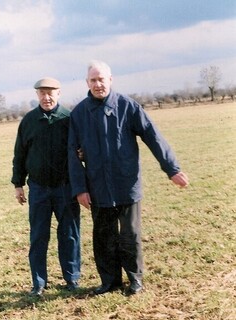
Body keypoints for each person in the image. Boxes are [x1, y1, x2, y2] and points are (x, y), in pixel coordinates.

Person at [68, 60, 189, 296]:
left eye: (101, 79)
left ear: (110, 80)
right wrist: (80, 188)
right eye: (93, 80)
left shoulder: (128, 107)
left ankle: (135, 280)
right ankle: (110, 281)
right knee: (103, 236)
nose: (98, 84)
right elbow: (72, 153)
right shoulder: (79, 113)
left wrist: (172, 169)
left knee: (130, 235)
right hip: (97, 186)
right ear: (87, 83)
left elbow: (153, 137)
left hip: (126, 183)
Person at [11, 77, 81, 296]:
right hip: (39, 189)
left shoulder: (69, 119)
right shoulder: (29, 121)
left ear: (59, 93)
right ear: (37, 95)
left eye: (51, 92)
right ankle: (39, 283)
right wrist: (18, 184)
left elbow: (81, 149)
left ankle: (72, 279)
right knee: (39, 236)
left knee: (69, 234)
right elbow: (19, 154)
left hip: (66, 188)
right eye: (42, 93)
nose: (46, 97)